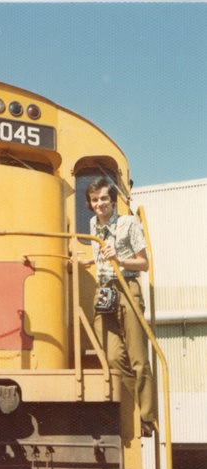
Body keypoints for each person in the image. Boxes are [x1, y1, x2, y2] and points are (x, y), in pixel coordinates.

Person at [78, 177, 157, 437]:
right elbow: (103, 255)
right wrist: (88, 261)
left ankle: (146, 417)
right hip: (104, 291)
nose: (99, 204)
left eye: (103, 198)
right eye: (94, 200)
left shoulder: (129, 223)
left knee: (138, 358)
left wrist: (120, 259)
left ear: (112, 199)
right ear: (89, 203)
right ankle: (136, 405)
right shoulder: (92, 224)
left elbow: (143, 264)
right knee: (112, 356)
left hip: (127, 288)